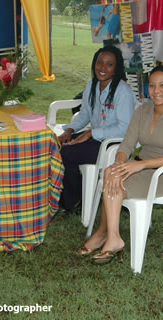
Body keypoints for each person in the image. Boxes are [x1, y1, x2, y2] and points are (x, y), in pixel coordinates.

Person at [75, 64, 163, 264]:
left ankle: (109, 237)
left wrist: (141, 165)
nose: (157, 91)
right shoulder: (143, 110)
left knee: (115, 184)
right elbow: (127, 144)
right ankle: (109, 236)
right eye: (152, 86)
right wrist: (119, 164)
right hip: (139, 167)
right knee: (112, 174)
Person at [58, 46, 135, 212]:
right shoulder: (92, 85)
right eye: (99, 62)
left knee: (66, 153)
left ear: (117, 68)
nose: (102, 68)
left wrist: (91, 133)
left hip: (113, 145)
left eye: (109, 64)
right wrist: (69, 130)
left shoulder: (123, 92)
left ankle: (75, 200)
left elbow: (124, 128)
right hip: (94, 139)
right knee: (57, 145)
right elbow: (84, 114)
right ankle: (73, 193)